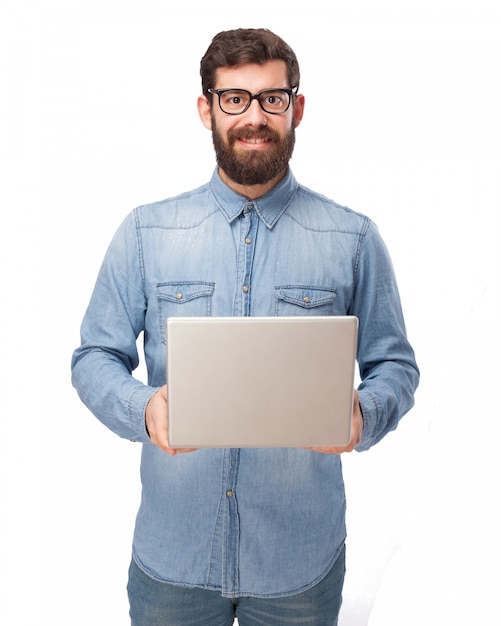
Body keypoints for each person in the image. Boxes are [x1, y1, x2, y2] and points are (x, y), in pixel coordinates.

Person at [71, 28, 419, 626]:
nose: (254, 116)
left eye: (272, 98)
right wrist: (143, 407)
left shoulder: (353, 237)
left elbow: (395, 366)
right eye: (235, 98)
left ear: (297, 108)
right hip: (172, 560)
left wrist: (365, 412)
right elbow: (94, 357)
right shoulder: (146, 232)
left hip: (298, 567)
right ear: (207, 107)